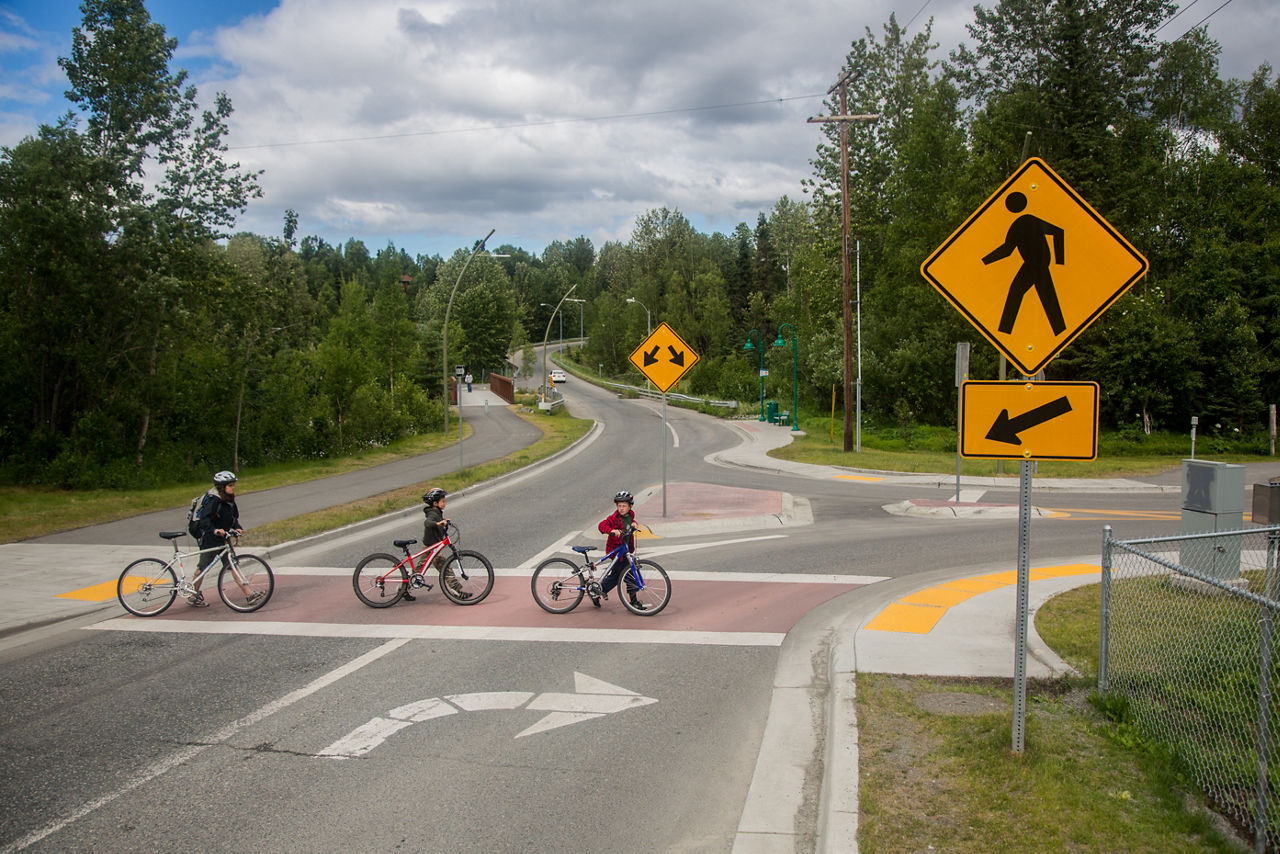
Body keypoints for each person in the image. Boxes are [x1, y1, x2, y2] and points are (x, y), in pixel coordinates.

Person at [189, 471, 260, 607]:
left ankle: (249, 594)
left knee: (232, 564)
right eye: (230, 485)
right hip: (210, 538)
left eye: (233, 485)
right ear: (222, 487)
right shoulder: (214, 500)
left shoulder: (229, 499)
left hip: (223, 538)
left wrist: (237, 527)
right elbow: (204, 520)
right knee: (203, 567)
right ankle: (192, 595)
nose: (233, 487)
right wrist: (215, 530)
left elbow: (232, 518)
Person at [409, 487, 469, 602]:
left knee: (420, 572)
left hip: (433, 548)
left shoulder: (437, 512)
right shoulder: (432, 514)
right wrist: (437, 523)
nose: (444, 503)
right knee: (442, 569)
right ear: (435, 503)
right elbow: (428, 522)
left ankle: (403, 590)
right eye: (442, 501)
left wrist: (443, 521)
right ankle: (458, 592)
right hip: (430, 549)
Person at [597, 490, 645, 610]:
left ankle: (597, 592)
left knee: (617, 576)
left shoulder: (631, 515)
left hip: (626, 550)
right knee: (628, 575)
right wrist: (611, 531)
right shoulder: (614, 518)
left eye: (624, 506)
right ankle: (633, 602)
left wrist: (634, 523)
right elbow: (601, 526)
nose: (621, 508)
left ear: (630, 506)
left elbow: (630, 522)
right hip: (616, 551)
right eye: (619, 506)